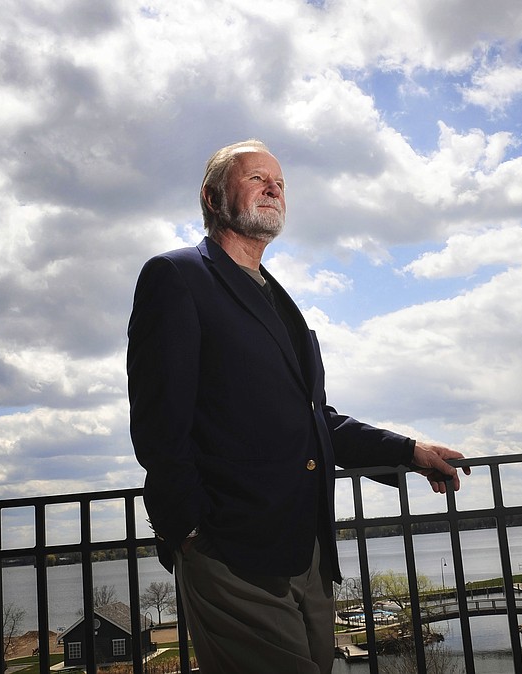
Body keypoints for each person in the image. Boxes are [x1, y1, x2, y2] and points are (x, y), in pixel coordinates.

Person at [127, 139, 468, 673]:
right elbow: (157, 425)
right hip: (231, 552)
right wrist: (192, 534)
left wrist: (409, 449)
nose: (273, 188)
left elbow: (318, 420)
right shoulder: (176, 277)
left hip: (306, 553)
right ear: (212, 197)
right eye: (256, 178)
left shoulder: (278, 297)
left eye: (280, 183)